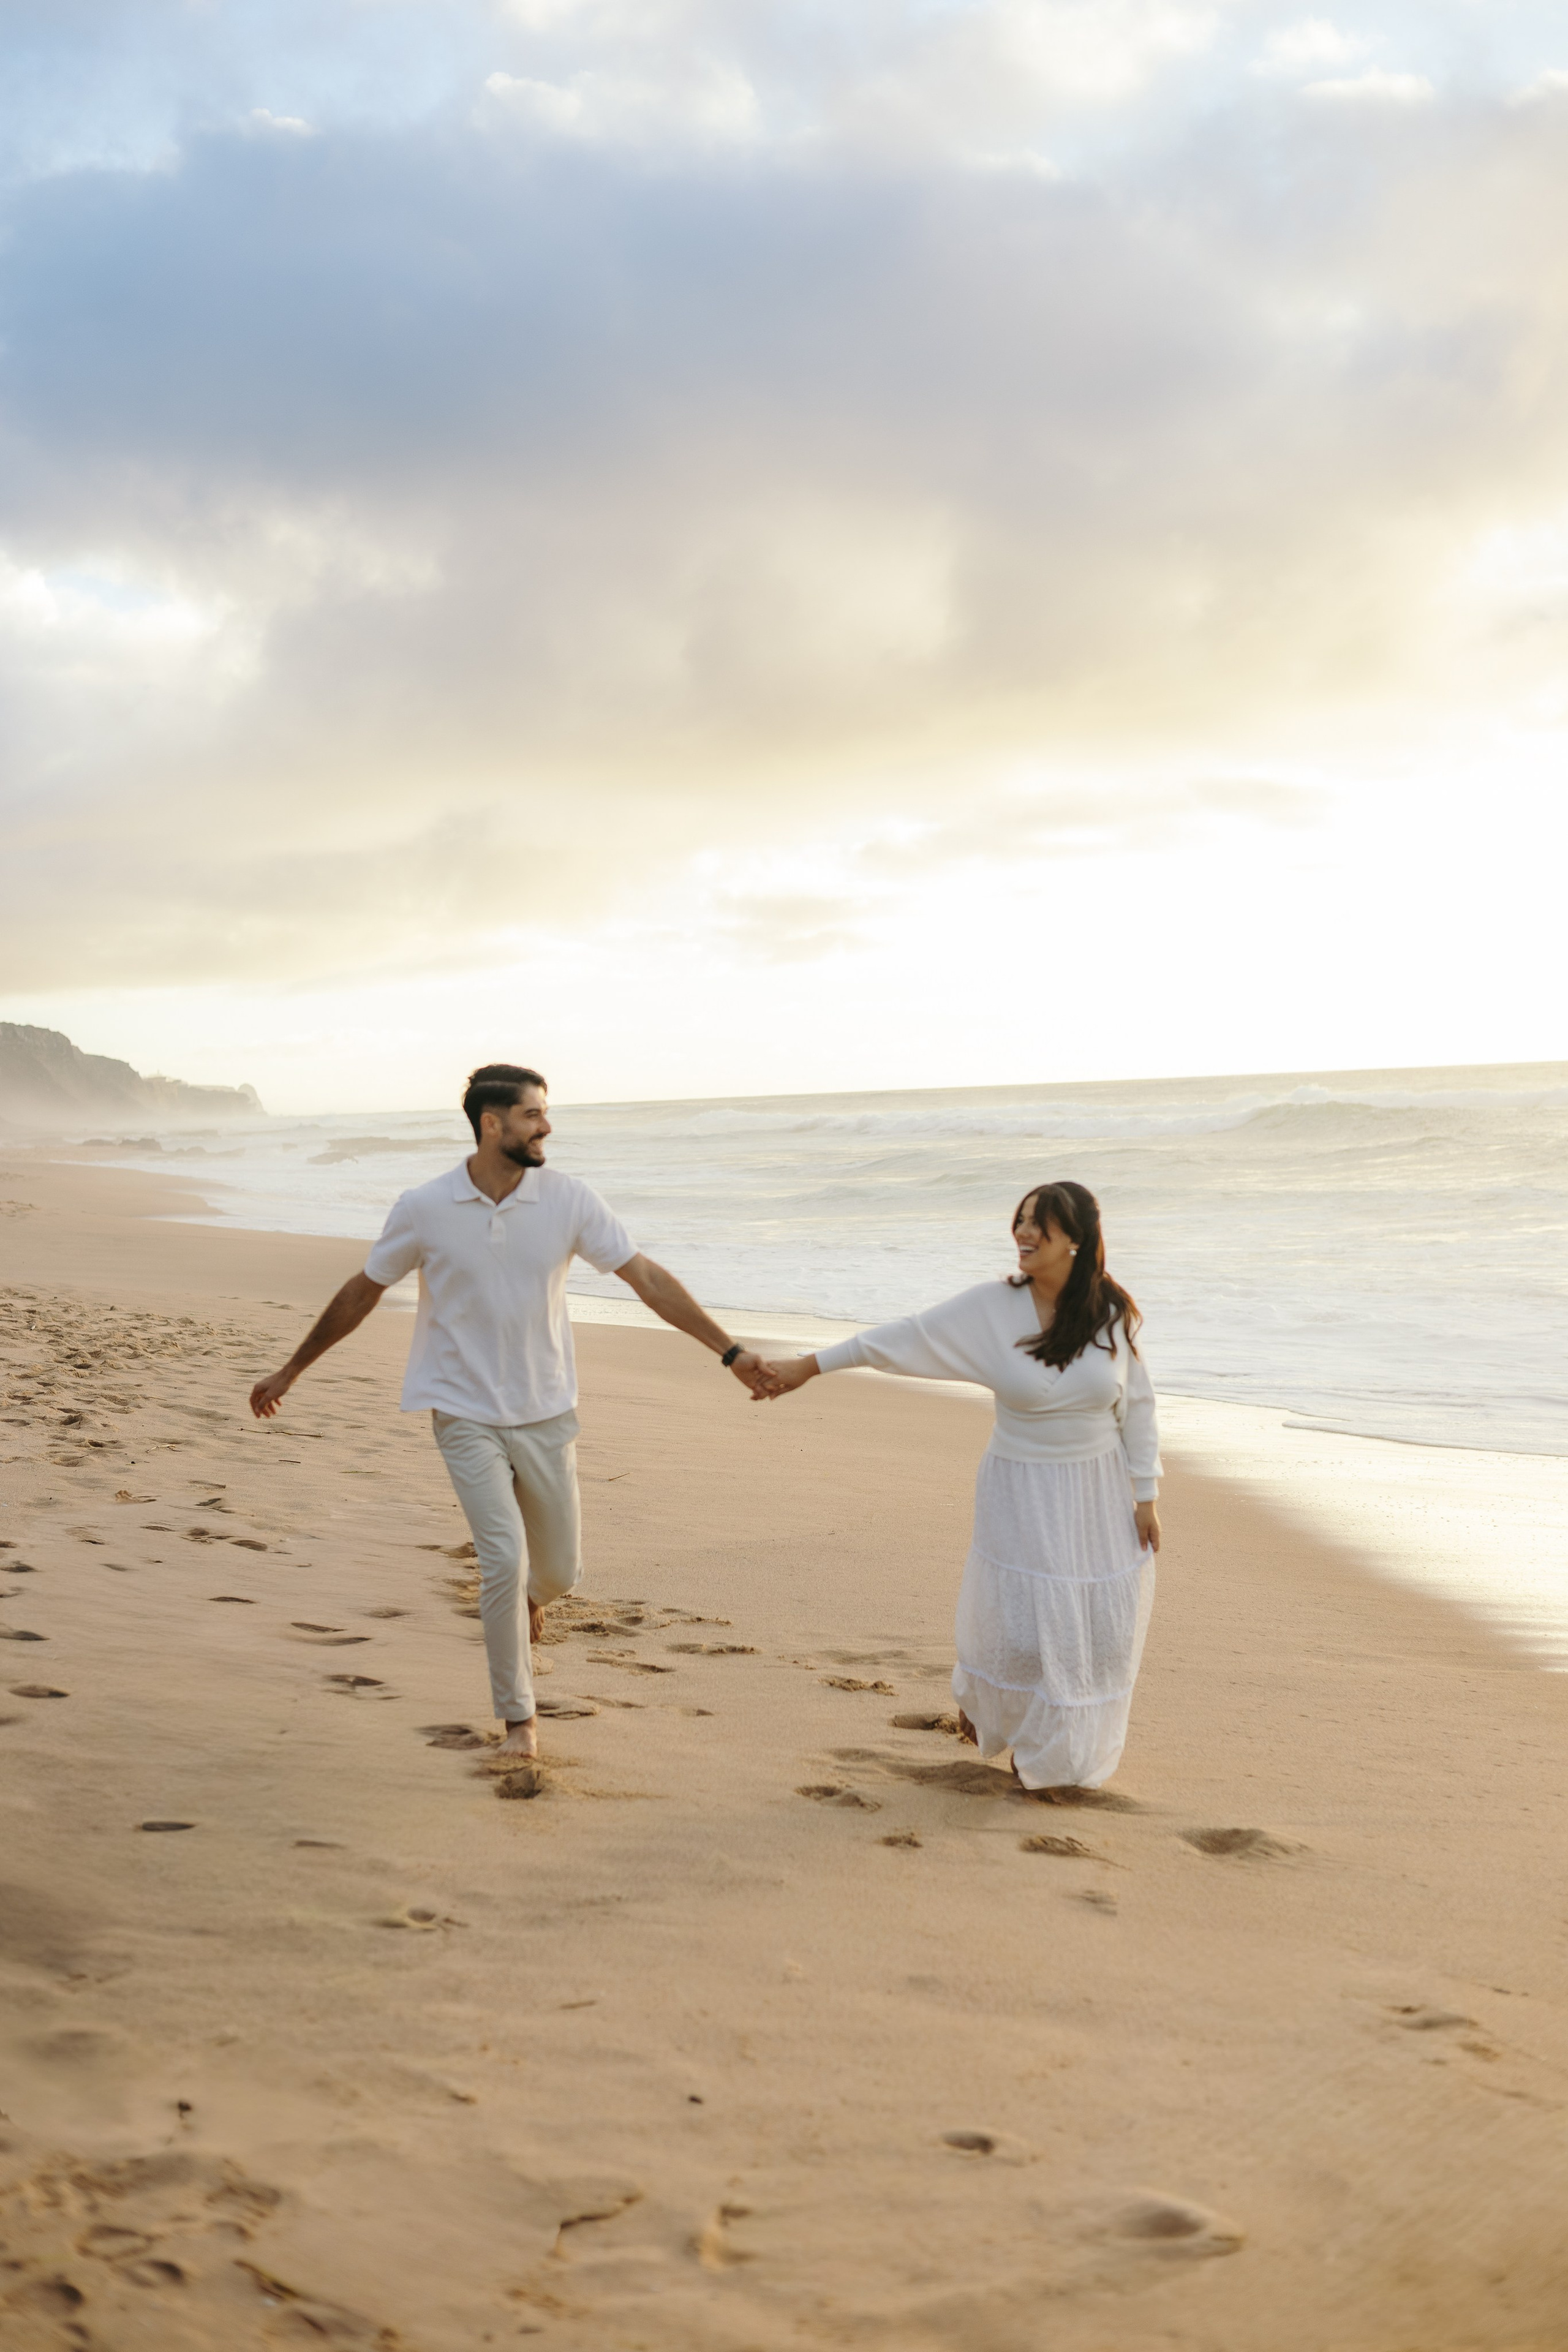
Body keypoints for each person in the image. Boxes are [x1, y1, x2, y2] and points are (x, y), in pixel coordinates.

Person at [249, 1064, 780, 1758]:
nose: (547, 1127)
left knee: (558, 1572)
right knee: (501, 1558)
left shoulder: (568, 1200)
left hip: (545, 1409)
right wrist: (293, 1367)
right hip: (461, 1408)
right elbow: (364, 1288)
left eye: (545, 1113)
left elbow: (644, 1278)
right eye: (533, 1115)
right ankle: (519, 1721)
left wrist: (730, 1351)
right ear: (491, 1123)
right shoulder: (426, 1206)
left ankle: (530, 1603)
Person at [758, 1180, 1161, 1793]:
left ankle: (1066, 1756)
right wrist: (808, 1367)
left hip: (1097, 1492)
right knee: (1027, 1627)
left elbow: (1138, 1405)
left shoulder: (1108, 1312)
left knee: (1099, 1629)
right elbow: (899, 1338)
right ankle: (1023, 1738)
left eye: (1039, 1226)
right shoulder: (992, 1308)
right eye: (1019, 1221)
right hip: (1020, 1488)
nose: (1023, 1234)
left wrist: (1146, 1495)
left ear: (1074, 1241)